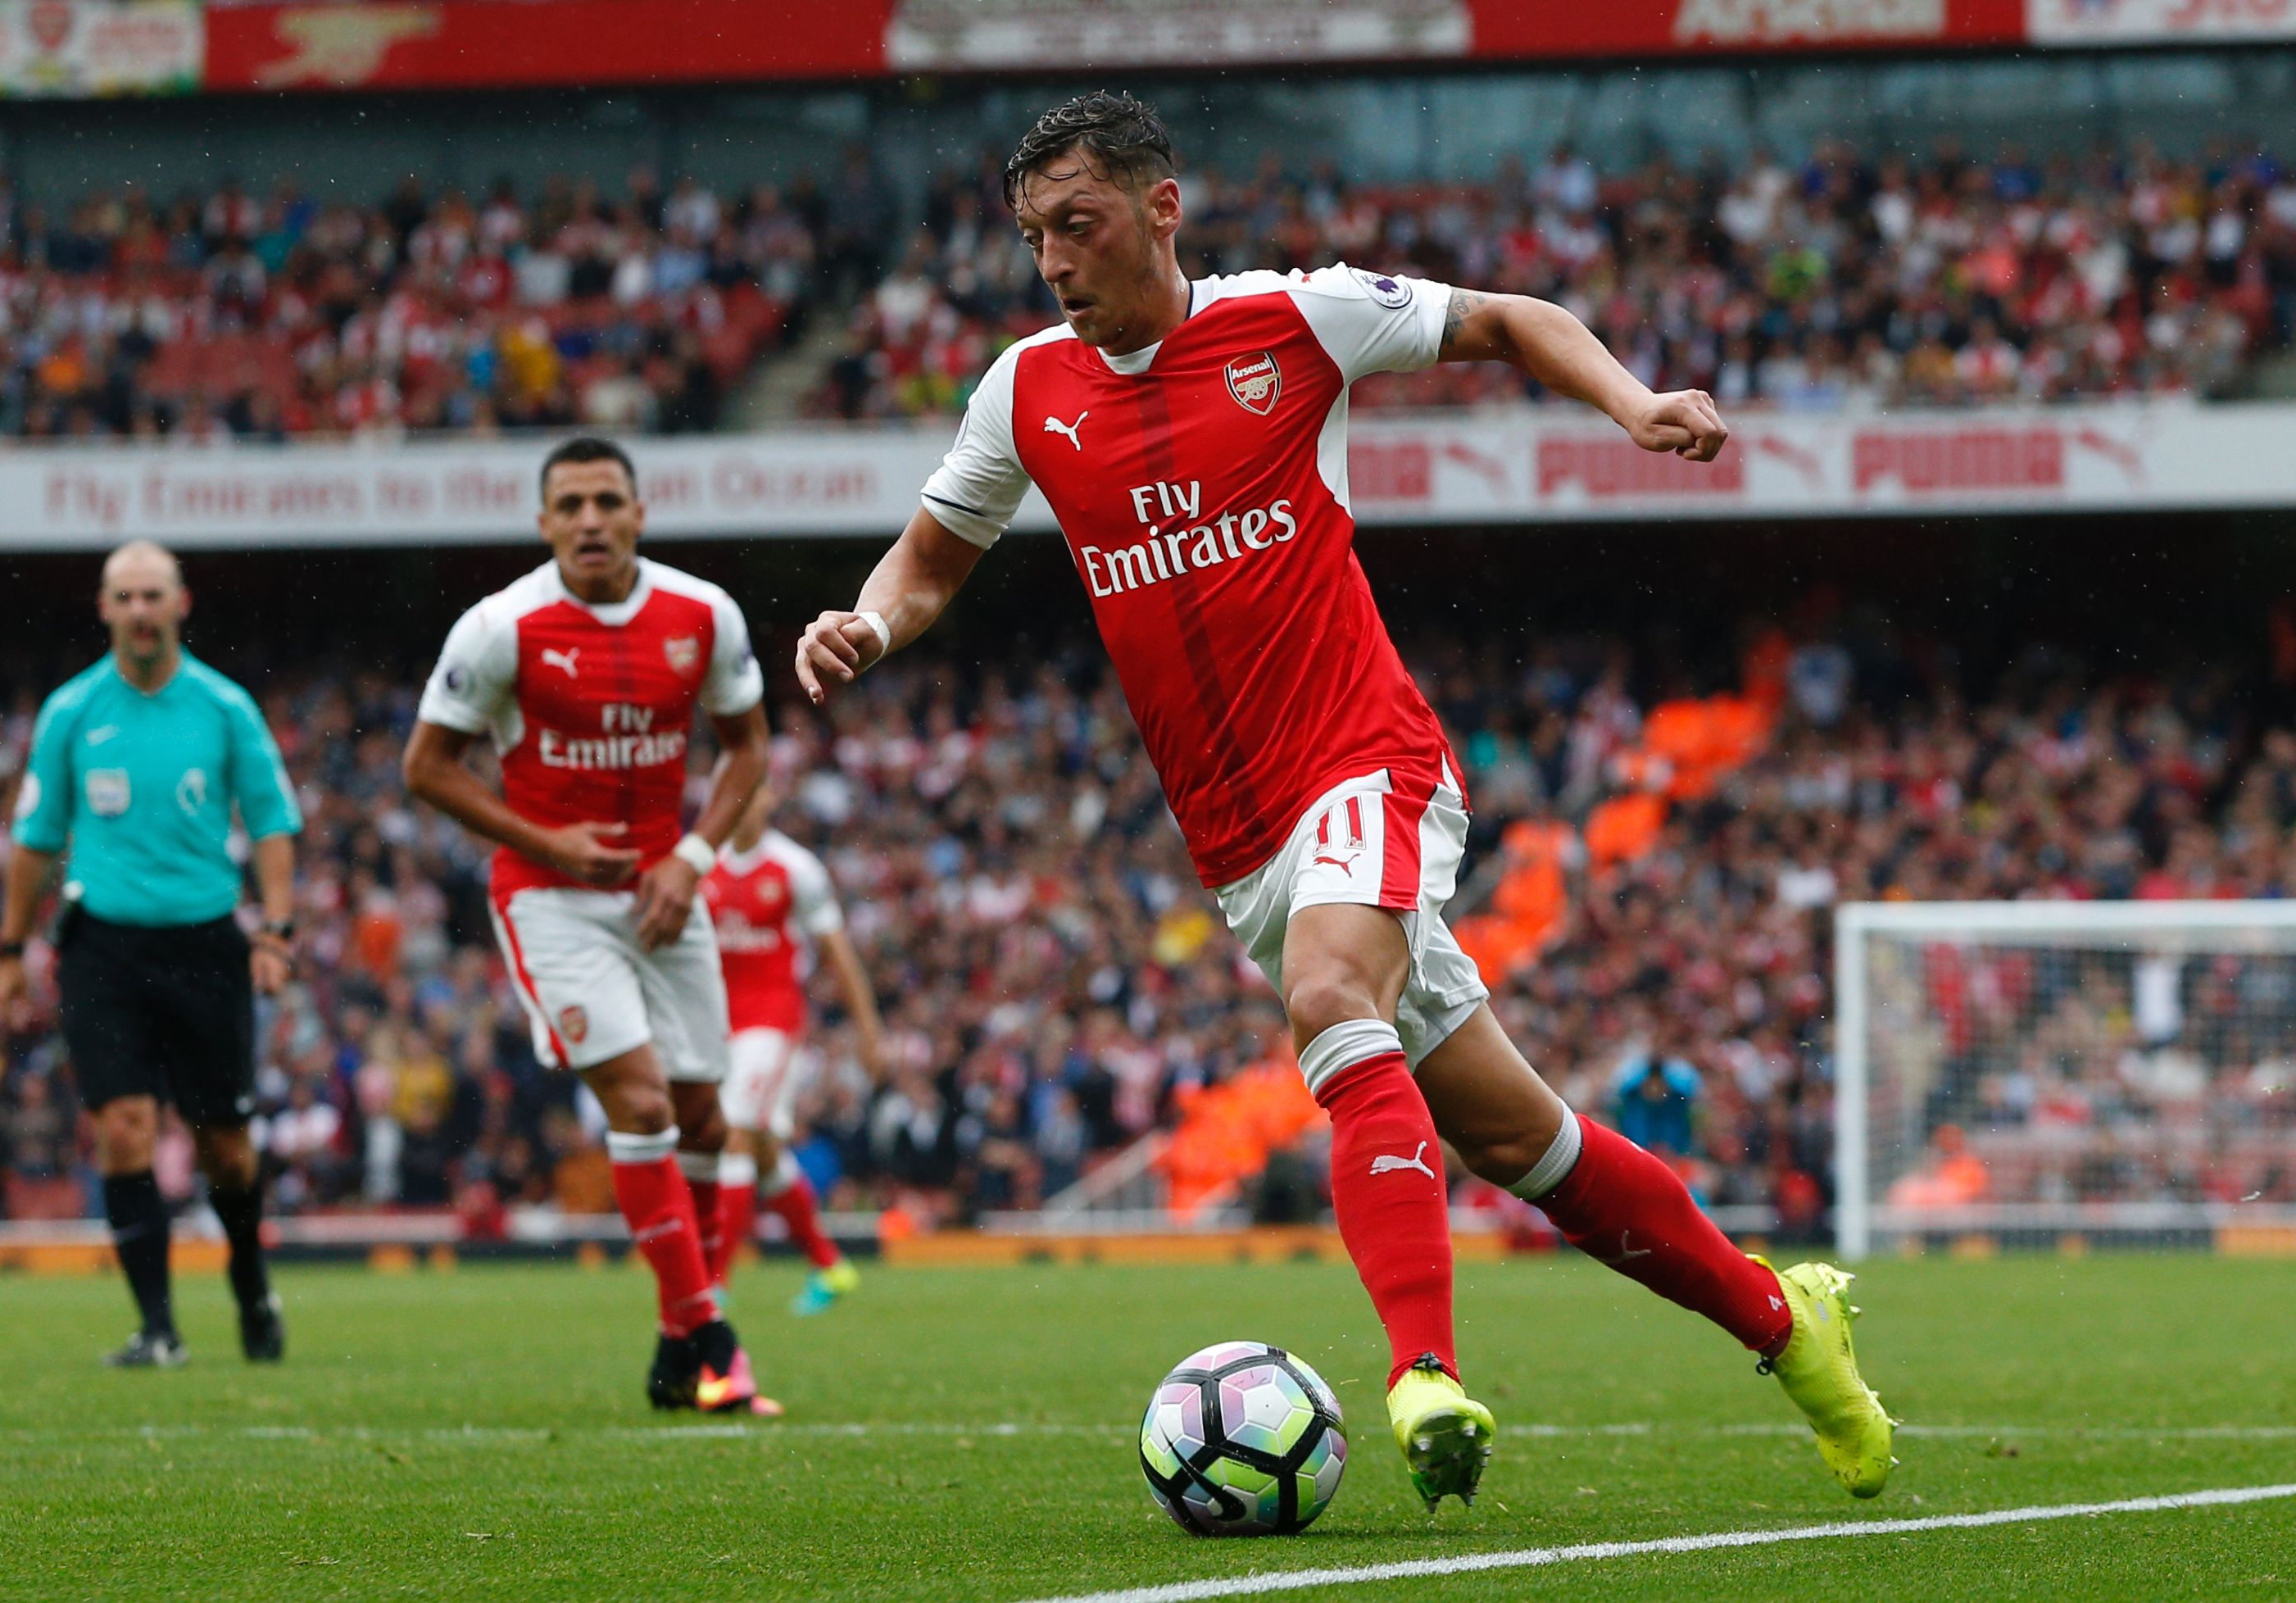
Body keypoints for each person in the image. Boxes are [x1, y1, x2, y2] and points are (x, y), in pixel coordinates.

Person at [795, 93, 1894, 1510]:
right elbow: (930, 557)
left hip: (1360, 758)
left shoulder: (1288, 319)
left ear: (1158, 207)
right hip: (1236, 841)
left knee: (1329, 999)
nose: (1054, 261)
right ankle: (1782, 1327)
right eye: (1030, 237)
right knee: (1517, 1141)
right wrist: (870, 626)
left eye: (1078, 225)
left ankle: (1419, 1372)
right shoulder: (1023, 391)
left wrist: (1630, 403)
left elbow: (1508, 316)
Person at [402, 436, 776, 1414]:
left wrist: (692, 859)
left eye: (608, 501)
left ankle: (672, 1343)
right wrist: (552, 843)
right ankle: (714, 1338)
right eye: (570, 505)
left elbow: (748, 746)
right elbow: (426, 767)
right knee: (644, 1106)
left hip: (664, 890)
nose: (591, 521)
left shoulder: (703, 614)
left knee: (704, 1119)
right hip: (548, 895)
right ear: (544, 524)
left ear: (640, 514)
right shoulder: (501, 628)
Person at [0, 539, 299, 1368]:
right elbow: (35, 840)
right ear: (103, 609)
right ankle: (158, 1328)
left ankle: (250, 1284)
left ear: (180, 604)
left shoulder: (225, 707)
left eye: (151, 596)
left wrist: (275, 929)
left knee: (224, 1146)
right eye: (123, 596)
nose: (138, 611)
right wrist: (9, 944)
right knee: (123, 1132)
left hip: (206, 941)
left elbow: (272, 823)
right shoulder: (70, 712)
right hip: (103, 948)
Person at [701, 779, 887, 1314]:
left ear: (768, 799)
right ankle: (831, 1266)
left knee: (735, 1133)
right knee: (761, 1152)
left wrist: (869, 1031)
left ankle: (714, 1283)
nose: (741, 801)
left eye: (751, 791)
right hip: (718, 1028)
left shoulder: (794, 868)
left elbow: (839, 955)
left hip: (774, 1023)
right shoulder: (701, 864)